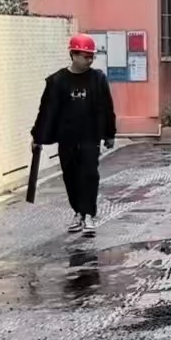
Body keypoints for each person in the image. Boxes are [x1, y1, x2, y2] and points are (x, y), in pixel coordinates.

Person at [31, 33, 116, 236]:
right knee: (70, 177)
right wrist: (38, 137)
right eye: (86, 56)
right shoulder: (57, 81)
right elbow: (47, 111)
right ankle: (78, 212)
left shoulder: (98, 79)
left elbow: (107, 108)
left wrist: (109, 134)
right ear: (74, 55)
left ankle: (89, 215)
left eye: (91, 56)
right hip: (67, 138)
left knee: (89, 175)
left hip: (90, 137)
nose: (89, 60)